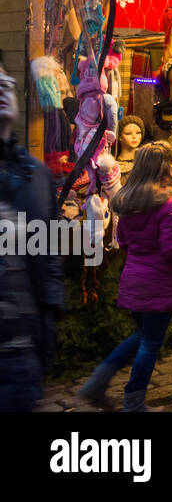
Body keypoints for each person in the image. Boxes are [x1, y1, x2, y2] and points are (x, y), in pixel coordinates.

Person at [77, 142, 172, 411]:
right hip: (159, 282)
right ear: (168, 167)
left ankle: (98, 382)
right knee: (150, 343)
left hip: (134, 278)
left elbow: (123, 239)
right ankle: (134, 401)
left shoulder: (130, 200)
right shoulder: (170, 204)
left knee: (141, 336)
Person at [0, 64, 61, 412]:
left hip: (22, 357)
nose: (1, 87)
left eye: (6, 82)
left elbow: (48, 250)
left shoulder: (37, 176)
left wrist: (49, 320)